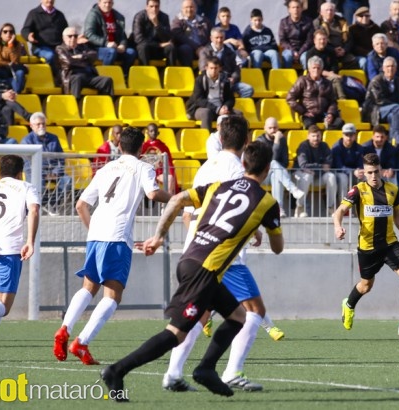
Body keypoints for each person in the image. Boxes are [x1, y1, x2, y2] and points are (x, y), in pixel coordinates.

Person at [100, 140, 284, 400]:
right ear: (268, 169)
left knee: (237, 317)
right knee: (175, 333)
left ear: (243, 164)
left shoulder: (219, 186)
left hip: (190, 259)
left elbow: (176, 198)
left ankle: (206, 369)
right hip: (204, 272)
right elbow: (278, 247)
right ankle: (117, 370)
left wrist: (159, 236)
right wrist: (268, 229)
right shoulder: (267, 202)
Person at [162, 117, 284, 393]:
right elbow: (237, 206)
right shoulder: (236, 169)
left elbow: (188, 212)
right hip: (222, 252)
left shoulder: (207, 165)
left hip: (195, 248)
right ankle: (232, 371)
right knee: (254, 311)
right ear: (247, 140)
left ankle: (173, 373)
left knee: (199, 315)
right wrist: (252, 231)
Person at [52, 127, 171, 365]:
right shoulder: (143, 167)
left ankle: (64, 328)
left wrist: (93, 231)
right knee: (112, 296)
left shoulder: (106, 168)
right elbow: (152, 194)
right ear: (141, 148)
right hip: (116, 236)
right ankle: (82, 342)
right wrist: (178, 198)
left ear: (120, 144)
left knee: (89, 287)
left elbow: (80, 205)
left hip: (96, 234)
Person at [334, 152, 399, 336]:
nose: (374, 176)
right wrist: (338, 227)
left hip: (390, 244)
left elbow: (398, 215)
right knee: (366, 286)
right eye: (369, 173)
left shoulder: (392, 189)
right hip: (368, 247)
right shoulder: (358, 190)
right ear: (363, 172)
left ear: (382, 170)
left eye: (376, 172)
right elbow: (339, 211)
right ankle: (349, 304)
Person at [0, 155, 39, 361]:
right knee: (3, 307)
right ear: (20, 172)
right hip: (6, 249)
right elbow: (34, 209)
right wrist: (30, 241)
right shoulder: (26, 187)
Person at [20, 112, 71, 217]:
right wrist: (43, 173)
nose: (41, 126)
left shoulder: (54, 138)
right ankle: (43, 205)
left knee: (68, 181)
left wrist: (55, 172)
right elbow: (30, 163)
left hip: (54, 171)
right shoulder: (26, 141)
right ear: (31, 126)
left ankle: (52, 204)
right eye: (38, 124)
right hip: (35, 171)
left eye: (43, 124)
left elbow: (61, 158)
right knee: (39, 183)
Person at [256, 117, 305, 217]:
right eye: (270, 128)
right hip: (262, 176)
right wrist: (277, 141)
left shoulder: (283, 140)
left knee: (276, 175)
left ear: (278, 128)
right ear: (264, 128)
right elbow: (270, 160)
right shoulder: (260, 141)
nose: (273, 131)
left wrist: (278, 170)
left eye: (275, 128)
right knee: (273, 163)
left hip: (276, 174)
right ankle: (293, 189)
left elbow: (285, 162)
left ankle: (279, 208)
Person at [56, 27, 114, 102]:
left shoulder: (82, 47)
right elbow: (69, 63)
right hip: (72, 76)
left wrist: (82, 56)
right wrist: (85, 62)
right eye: (70, 36)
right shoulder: (60, 49)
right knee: (78, 78)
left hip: (88, 76)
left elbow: (94, 55)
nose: (73, 38)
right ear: (64, 38)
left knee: (107, 80)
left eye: (75, 36)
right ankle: (75, 105)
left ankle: (106, 105)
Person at [286, 55, 344, 130]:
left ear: (321, 70)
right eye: (314, 68)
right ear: (309, 69)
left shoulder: (327, 83)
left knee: (339, 122)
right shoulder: (302, 81)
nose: (316, 70)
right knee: (311, 127)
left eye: (318, 68)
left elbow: (332, 102)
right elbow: (290, 98)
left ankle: (328, 135)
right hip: (309, 114)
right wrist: (303, 111)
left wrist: (330, 114)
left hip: (324, 114)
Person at [293, 124, 338, 217]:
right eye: (313, 136)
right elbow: (303, 165)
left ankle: (330, 207)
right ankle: (300, 207)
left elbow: (328, 165)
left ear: (321, 136)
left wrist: (315, 169)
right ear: (308, 136)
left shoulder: (324, 146)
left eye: (318, 136)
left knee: (331, 177)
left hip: (318, 175)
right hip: (300, 174)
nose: (316, 138)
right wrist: (321, 167)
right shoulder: (303, 146)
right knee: (307, 176)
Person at [84, 0, 136, 77]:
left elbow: (122, 35)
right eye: (105, 2)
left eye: (110, 2)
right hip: (97, 48)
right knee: (111, 52)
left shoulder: (118, 17)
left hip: (115, 47)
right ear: (99, 3)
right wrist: (106, 43)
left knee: (131, 52)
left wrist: (122, 45)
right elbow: (89, 34)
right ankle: (104, 77)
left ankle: (123, 76)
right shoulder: (93, 15)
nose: (107, 5)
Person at [198, 27, 254, 98]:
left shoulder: (230, 52)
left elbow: (236, 69)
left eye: (221, 37)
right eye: (217, 38)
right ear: (211, 38)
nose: (219, 40)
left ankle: (234, 106)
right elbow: (203, 69)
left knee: (248, 89)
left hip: (228, 82)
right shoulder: (204, 51)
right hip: (212, 82)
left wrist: (233, 79)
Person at [186, 56, 235, 131]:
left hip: (220, 108)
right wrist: (217, 109)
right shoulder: (200, 79)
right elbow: (198, 99)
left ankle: (234, 141)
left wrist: (226, 106)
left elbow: (230, 98)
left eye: (216, 68)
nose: (214, 71)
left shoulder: (225, 80)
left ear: (220, 68)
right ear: (206, 68)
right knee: (206, 113)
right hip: (201, 108)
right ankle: (207, 139)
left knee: (238, 115)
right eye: (211, 68)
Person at [21, 0, 68, 76]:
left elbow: (66, 31)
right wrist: (29, 36)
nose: (49, 0)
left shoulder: (59, 15)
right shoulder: (34, 14)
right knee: (50, 56)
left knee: (69, 57)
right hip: (40, 47)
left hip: (58, 47)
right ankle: (56, 79)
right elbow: (25, 30)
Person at [362, 56, 399, 126]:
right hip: (376, 110)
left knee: (393, 117)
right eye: (388, 66)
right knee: (398, 108)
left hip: (395, 110)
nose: (390, 69)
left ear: (396, 68)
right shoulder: (376, 81)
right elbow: (378, 100)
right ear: (383, 68)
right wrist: (396, 106)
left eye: (392, 66)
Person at [131, 0, 176, 66]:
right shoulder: (139, 17)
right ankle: (145, 73)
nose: (154, 9)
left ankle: (171, 72)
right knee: (143, 47)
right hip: (146, 48)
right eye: (151, 6)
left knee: (170, 47)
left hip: (159, 50)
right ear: (146, 7)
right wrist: (158, 45)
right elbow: (139, 39)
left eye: (156, 6)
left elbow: (167, 38)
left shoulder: (164, 17)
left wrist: (157, 24)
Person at [313, 2, 358, 69]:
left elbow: (350, 40)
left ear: (335, 12)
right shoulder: (317, 23)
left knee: (355, 61)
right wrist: (333, 50)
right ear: (321, 12)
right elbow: (319, 41)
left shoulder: (342, 22)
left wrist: (344, 50)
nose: (329, 12)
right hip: (326, 52)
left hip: (342, 51)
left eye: (331, 10)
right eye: (327, 10)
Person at [305, 29, 345, 100]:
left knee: (336, 80)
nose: (322, 41)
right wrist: (327, 73)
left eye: (324, 39)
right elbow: (310, 70)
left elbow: (335, 66)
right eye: (319, 39)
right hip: (316, 78)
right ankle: (342, 100)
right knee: (335, 80)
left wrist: (332, 72)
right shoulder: (310, 53)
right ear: (314, 41)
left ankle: (342, 100)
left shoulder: (330, 51)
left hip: (329, 77)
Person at [171, 0, 212, 67]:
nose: (189, 9)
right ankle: (189, 73)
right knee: (185, 49)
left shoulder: (204, 21)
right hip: (187, 49)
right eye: (186, 7)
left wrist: (206, 47)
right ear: (182, 9)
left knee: (206, 51)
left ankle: (204, 74)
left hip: (202, 49)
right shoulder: (177, 21)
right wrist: (196, 48)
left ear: (196, 8)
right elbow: (179, 36)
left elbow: (211, 36)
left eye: (191, 7)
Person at [141, 123, 179, 196]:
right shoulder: (144, 146)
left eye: (155, 131)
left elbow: (169, 162)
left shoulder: (163, 146)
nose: (153, 133)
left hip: (159, 174)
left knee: (170, 178)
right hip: (147, 174)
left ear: (158, 132)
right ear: (147, 132)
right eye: (151, 131)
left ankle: (168, 201)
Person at [332, 123, 365, 205]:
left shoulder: (359, 148)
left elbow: (360, 163)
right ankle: (344, 206)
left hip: (354, 173)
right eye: (347, 134)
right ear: (343, 135)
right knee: (343, 179)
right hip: (339, 173)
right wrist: (354, 171)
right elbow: (339, 166)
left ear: (355, 135)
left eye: (352, 134)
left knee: (366, 178)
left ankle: (366, 205)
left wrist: (360, 171)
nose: (349, 137)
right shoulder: (336, 148)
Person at [0, 23, 28, 94]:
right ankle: (15, 92)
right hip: (1, 69)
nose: (8, 34)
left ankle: (17, 93)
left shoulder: (17, 44)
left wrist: (10, 45)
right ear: (1, 34)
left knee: (20, 73)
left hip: (13, 70)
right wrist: (9, 63)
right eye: (5, 32)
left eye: (11, 32)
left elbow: (15, 61)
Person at [279, 0, 314, 69]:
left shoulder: (309, 22)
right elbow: (282, 41)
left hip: (304, 50)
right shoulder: (283, 22)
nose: (296, 10)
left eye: (298, 7)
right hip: (289, 49)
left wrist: (300, 52)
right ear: (289, 9)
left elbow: (309, 41)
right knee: (287, 56)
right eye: (293, 7)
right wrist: (293, 51)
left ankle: (306, 78)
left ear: (301, 9)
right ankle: (287, 77)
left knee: (305, 57)